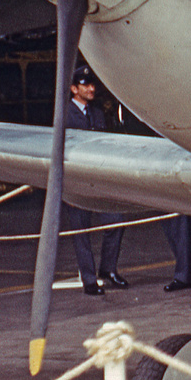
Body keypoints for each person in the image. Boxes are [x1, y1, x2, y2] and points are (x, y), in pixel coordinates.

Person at [64, 66, 127, 296]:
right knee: (81, 233)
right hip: (77, 184)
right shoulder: (64, 114)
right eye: (86, 85)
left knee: (116, 222)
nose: (92, 88)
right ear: (73, 88)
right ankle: (89, 280)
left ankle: (108, 269)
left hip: (99, 182)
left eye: (92, 84)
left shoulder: (98, 113)